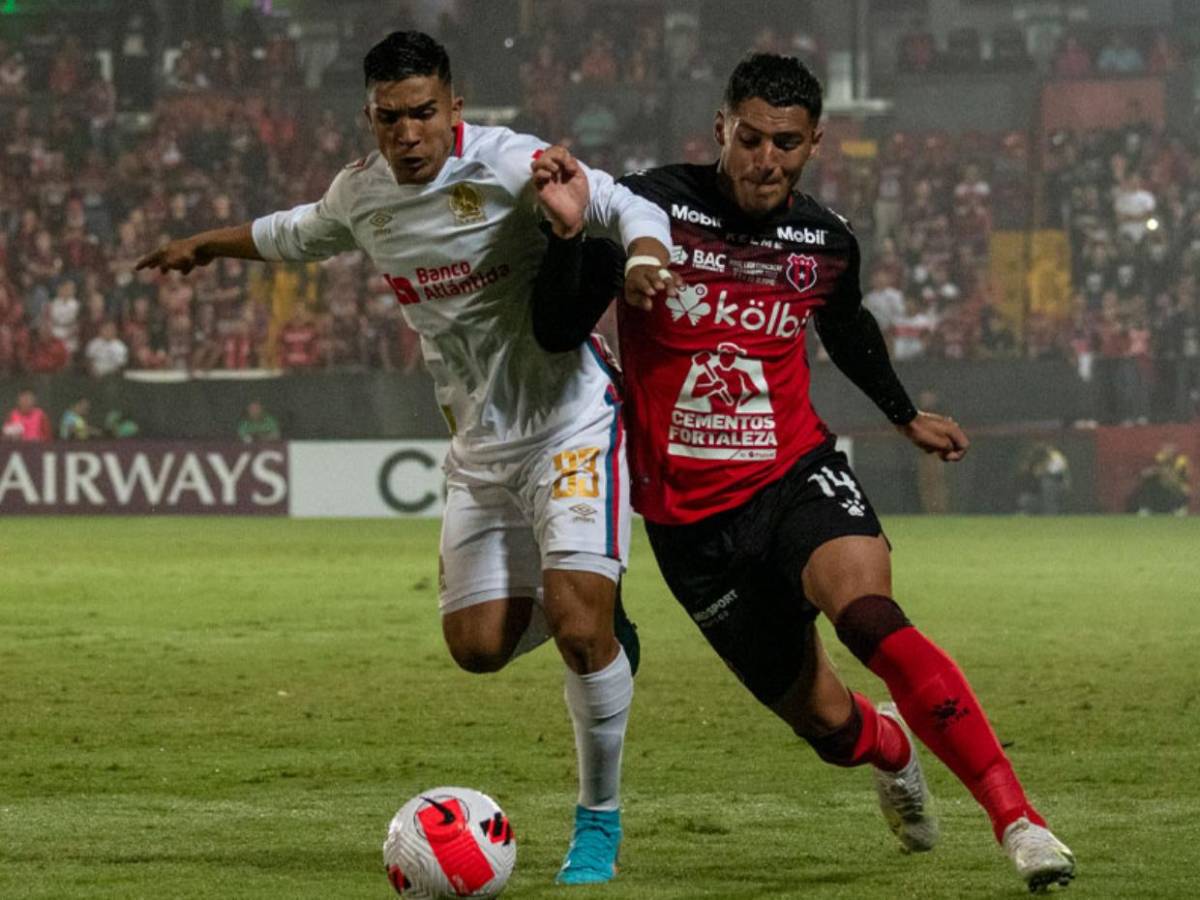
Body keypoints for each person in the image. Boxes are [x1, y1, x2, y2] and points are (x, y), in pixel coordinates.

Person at [136, 30, 674, 886]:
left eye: (424, 113)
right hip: (477, 447)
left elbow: (621, 204)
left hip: (571, 421)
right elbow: (296, 230)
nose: (409, 133)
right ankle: (602, 625)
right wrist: (205, 243)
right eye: (391, 118)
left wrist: (646, 256)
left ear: (454, 107)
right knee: (475, 648)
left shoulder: (509, 161)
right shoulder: (362, 196)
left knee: (576, 631)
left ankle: (598, 825)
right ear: (371, 118)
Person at [529, 53, 1075, 893]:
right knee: (829, 728)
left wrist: (903, 414)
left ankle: (1020, 821)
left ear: (814, 142)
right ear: (722, 128)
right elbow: (560, 328)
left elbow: (846, 324)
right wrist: (570, 234)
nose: (765, 159)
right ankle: (889, 745)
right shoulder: (647, 207)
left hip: (796, 477)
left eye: (786, 143)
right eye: (749, 138)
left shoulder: (823, 240)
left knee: (870, 618)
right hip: (691, 528)